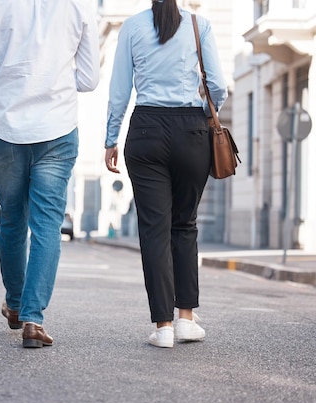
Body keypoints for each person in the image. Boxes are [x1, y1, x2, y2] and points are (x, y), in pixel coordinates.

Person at [0, 0, 100, 348]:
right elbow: (88, 79)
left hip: (8, 127)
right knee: (46, 226)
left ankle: (14, 305)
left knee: (12, 221)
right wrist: (51, 75)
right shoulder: (81, 5)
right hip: (57, 127)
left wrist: (12, 73)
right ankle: (33, 318)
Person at [104, 0, 227, 348]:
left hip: (146, 130)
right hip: (192, 130)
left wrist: (111, 138)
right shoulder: (198, 25)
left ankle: (163, 327)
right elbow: (218, 86)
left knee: (154, 230)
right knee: (185, 224)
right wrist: (202, 114)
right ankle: (186, 319)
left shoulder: (131, 27)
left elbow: (118, 92)